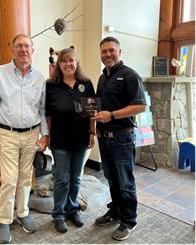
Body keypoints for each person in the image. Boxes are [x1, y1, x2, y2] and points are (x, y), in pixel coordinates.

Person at [0, 34, 49, 244]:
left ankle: (22, 213)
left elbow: (42, 109)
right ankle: (4, 220)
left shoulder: (39, 78)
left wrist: (45, 134)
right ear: (12, 49)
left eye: (27, 46)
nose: (23, 50)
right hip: (8, 134)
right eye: (18, 46)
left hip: (32, 134)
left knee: (25, 178)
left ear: (33, 50)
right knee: (9, 180)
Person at [92, 36, 146, 241]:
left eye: (111, 50)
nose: (107, 54)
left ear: (119, 52)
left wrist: (112, 115)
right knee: (112, 179)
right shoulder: (102, 77)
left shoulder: (130, 75)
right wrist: (96, 126)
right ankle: (115, 211)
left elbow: (141, 106)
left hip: (122, 139)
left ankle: (129, 220)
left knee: (125, 182)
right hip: (105, 138)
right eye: (104, 51)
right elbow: (98, 106)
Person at [45, 47, 96, 233]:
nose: (68, 64)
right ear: (59, 64)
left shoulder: (86, 83)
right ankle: (58, 214)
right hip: (60, 139)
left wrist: (92, 133)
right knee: (62, 179)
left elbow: (91, 112)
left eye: (71, 60)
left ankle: (72, 209)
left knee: (76, 178)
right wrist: (48, 136)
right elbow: (48, 115)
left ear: (77, 62)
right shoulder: (51, 85)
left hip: (81, 138)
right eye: (64, 61)